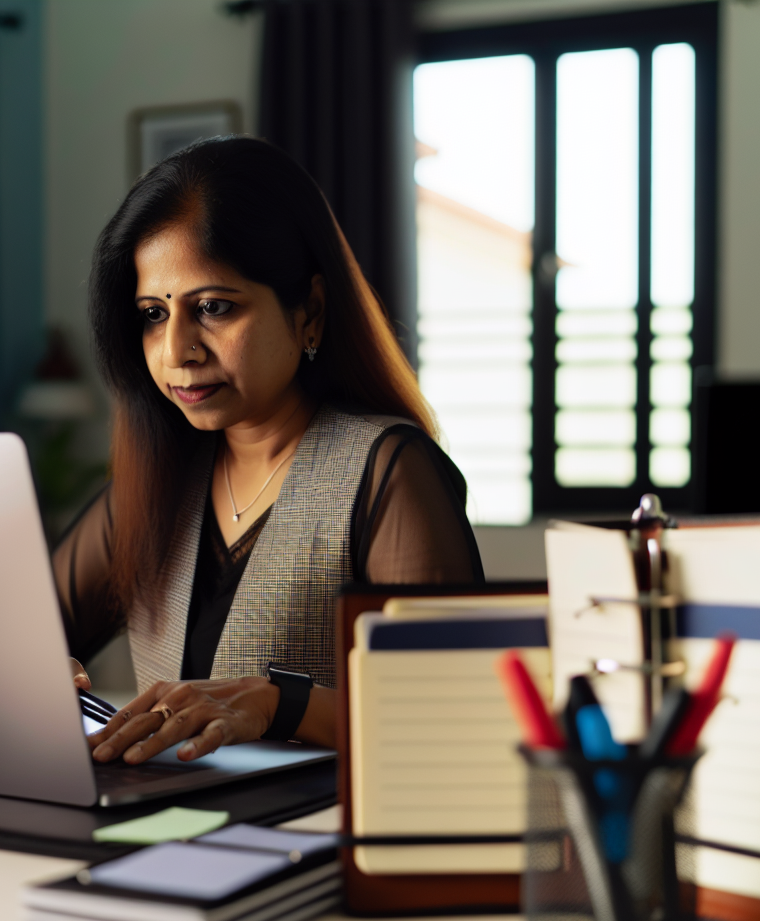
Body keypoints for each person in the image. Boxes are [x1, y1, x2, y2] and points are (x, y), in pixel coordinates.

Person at [53, 135, 483, 768]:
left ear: (308, 311)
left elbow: (455, 712)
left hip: (316, 846)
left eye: (214, 308)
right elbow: (23, 637)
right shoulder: (157, 481)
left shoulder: (387, 470)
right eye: (152, 314)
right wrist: (32, 670)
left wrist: (278, 702)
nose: (177, 351)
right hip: (157, 831)